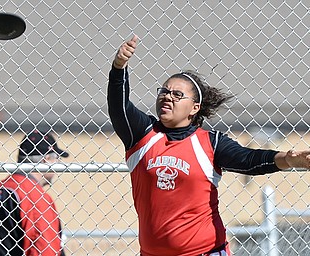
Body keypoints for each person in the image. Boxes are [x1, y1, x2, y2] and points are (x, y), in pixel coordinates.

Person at [107, 35, 310, 256]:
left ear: (195, 108)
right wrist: (119, 68)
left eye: (177, 94)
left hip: (206, 251)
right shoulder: (142, 135)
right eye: (164, 91)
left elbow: (249, 160)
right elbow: (119, 107)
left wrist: (288, 159)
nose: (167, 97)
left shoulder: (210, 142)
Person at [0, 130, 69, 256]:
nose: (58, 165)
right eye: (57, 159)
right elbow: (45, 250)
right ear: (46, 159)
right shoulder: (35, 197)